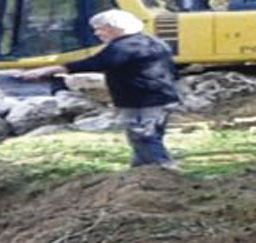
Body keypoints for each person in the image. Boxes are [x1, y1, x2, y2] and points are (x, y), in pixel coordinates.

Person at [20, 9, 181, 168]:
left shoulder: (123, 46)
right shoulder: (153, 42)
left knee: (144, 137)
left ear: (115, 27)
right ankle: (139, 174)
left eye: (100, 28)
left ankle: (165, 170)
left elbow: (95, 63)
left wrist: (49, 70)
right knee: (145, 136)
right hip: (162, 97)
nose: (97, 33)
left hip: (142, 101)